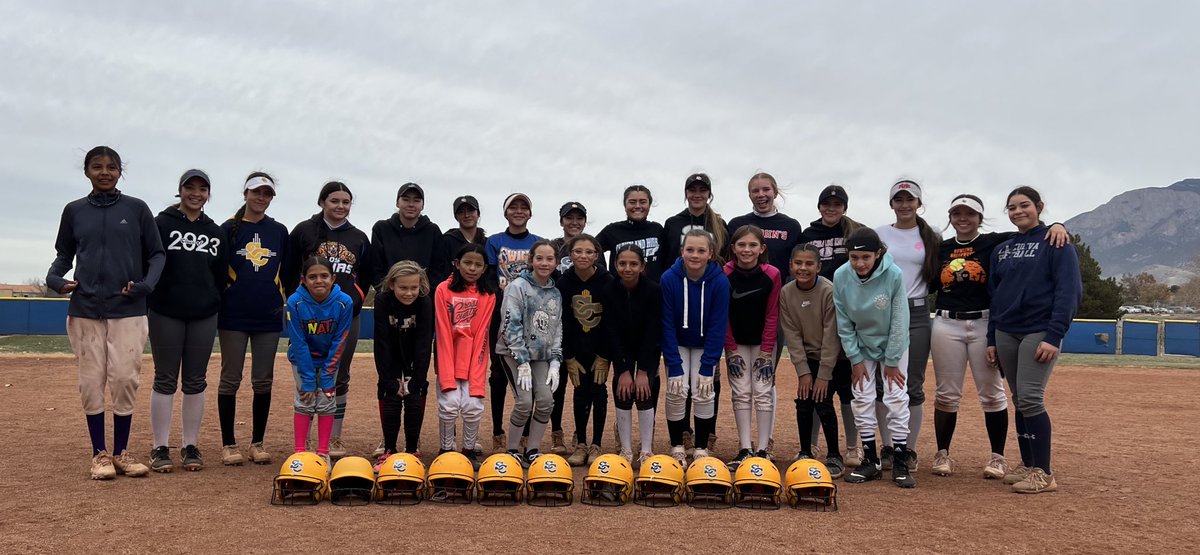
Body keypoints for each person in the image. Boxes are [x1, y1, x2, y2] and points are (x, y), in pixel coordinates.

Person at [930, 194, 1069, 478]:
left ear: (981, 218)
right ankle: (942, 452)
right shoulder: (942, 248)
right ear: (950, 217)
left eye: (970, 214)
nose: (963, 219)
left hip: (983, 321)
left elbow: (1033, 230)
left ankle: (998, 457)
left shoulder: (994, 242)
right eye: (957, 214)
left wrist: (1058, 224)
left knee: (993, 393)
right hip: (947, 322)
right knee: (946, 393)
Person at [47, 146, 164, 480]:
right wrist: (55, 279)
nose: (104, 172)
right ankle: (99, 454)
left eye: (111, 167)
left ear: (119, 172)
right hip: (85, 309)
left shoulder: (137, 209)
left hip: (128, 308)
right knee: (90, 382)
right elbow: (63, 254)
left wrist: (145, 285)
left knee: (125, 379)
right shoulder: (74, 211)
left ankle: (122, 452)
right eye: (97, 167)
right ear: (87, 171)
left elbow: (157, 255)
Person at [986, 186, 1081, 494]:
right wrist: (991, 338)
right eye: (1011, 207)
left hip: (1039, 329)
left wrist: (1054, 336)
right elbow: (995, 297)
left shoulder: (1056, 241)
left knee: (1030, 398)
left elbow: (1068, 291)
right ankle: (1028, 464)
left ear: (1039, 206)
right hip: (1005, 330)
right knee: (1018, 399)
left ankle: (1044, 472)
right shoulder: (1003, 248)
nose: (1017, 211)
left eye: (1024, 205)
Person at [147, 169, 227, 472]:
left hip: (203, 313)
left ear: (208, 194)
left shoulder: (216, 232)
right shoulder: (161, 224)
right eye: (190, 187)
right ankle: (160, 446)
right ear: (180, 190)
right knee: (165, 378)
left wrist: (211, 300)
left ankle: (190, 445)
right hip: (165, 310)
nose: (196, 193)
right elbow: (149, 264)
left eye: (203, 188)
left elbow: (220, 276)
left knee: (196, 380)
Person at [285, 181, 370, 458]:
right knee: (306, 372)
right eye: (335, 201)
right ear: (322, 202)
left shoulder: (358, 237)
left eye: (346, 202)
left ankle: (333, 438)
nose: (341, 207)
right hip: (307, 313)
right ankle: (305, 441)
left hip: (344, 314)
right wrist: (298, 301)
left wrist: (356, 298)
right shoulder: (304, 231)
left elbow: (365, 275)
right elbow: (288, 269)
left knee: (338, 375)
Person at [216, 172, 289, 466]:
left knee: (263, 380)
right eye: (256, 192)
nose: (261, 198)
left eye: (267, 194)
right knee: (230, 379)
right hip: (233, 313)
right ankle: (229, 443)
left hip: (268, 314)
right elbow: (217, 271)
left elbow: (289, 268)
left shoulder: (279, 231)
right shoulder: (227, 229)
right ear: (245, 194)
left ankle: (257, 443)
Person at [833, 228, 915, 488]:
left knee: (895, 396)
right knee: (862, 397)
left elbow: (900, 320)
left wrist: (891, 361)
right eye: (854, 257)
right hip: (861, 345)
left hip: (894, 344)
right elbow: (843, 321)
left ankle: (900, 459)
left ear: (878, 253)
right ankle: (870, 460)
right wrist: (855, 359)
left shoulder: (893, 275)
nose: (859, 263)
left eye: (866, 257)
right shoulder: (841, 275)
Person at [873, 179, 940, 471]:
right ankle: (888, 447)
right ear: (891, 204)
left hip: (916, 312)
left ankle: (907, 449)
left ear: (918, 203)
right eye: (898, 200)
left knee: (912, 383)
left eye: (909, 199)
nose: (904, 205)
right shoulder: (879, 234)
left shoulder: (931, 236)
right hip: (882, 313)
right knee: (881, 384)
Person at [798, 184, 862, 465]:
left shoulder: (855, 233)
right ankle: (810, 445)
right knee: (814, 390)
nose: (831, 208)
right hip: (815, 311)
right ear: (819, 206)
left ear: (844, 207)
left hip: (848, 313)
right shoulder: (808, 235)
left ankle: (851, 447)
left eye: (837, 204)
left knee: (846, 389)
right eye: (827, 203)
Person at [661, 229, 730, 466]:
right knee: (676, 390)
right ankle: (677, 446)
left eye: (701, 250)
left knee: (703, 391)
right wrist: (674, 364)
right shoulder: (668, 278)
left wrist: (708, 364)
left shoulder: (720, 281)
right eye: (690, 249)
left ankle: (701, 448)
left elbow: (718, 325)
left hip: (704, 346)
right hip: (678, 343)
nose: (695, 255)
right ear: (682, 251)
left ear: (710, 253)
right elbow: (666, 324)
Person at [778, 244, 847, 479]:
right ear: (791, 265)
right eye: (798, 263)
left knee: (823, 401)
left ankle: (835, 456)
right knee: (804, 401)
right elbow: (792, 334)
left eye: (809, 264)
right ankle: (806, 451)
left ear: (819, 266)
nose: (803, 268)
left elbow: (832, 334)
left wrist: (823, 375)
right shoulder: (786, 292)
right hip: (807, 358)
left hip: (833, 358)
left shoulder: (828, 291)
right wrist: (803, 371)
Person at [495, 240, 564, 467]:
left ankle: (532, 449)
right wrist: (522, 361)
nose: (544, 263)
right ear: (531, 260)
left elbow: (556, 328)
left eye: (550, 259)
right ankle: (512, 450)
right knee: (524, 402)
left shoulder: (555, 293)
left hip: (541, 355)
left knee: (545, 400)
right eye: (539, 258)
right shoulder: (517, 287)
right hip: (514, 353)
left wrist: (555, 360)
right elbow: (510, 323)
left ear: (556, 262)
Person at [485, 192, 542, 453]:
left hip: (531, 316)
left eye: (524, 207)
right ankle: (498, 431)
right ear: (505, 212)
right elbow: (488, 277)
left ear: (530, 213)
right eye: (513, 207)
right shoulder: (494, 242)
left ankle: (526, 433)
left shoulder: (538, 242)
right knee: (498, 374)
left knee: (527, 374)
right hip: (501, 314)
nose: (519, 211)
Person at [722, 225, 781, 469]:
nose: (747, 250)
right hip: (735, 343)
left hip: (763, 344)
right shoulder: (724, 273)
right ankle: (745, 448)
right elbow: (721, 314)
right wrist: (731, 348)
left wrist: (767, 351)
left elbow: (772, 314)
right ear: (733, 248)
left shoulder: (772, 274)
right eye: (742, 245)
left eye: (752, 245)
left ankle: (763, 450)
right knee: (741, 393)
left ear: (762, 248)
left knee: (764, 393)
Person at [433, 244, 497, 465]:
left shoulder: (488, 294)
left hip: (474, 360)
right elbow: (442, 332)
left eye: (478, 264)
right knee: (449, 404)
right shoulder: (443, 289)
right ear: (457, 264)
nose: (472, 268)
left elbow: (482, 336)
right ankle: (446, 450)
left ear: (484, 268)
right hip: (448, 357)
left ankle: (468, 450)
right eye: (467, 263)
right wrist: (446, 374)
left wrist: (477, 373)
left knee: (472, 406)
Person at [287, 256, 353, 465]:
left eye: (324, 276)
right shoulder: (294, 302)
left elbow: (339, 341)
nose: (319, 281)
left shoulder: (344, 302)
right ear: (303, 280)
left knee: (326, 401)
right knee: (304, 400)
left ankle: (323, 452)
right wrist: (307, 379)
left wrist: (326, 377)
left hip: (329, 360)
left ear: (333, 278)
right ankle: (300, 451)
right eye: (312, 276)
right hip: (302, 359)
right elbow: (299, 343)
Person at [557, 233, 613, 467]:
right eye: (578, 251)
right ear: (570, 255)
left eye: (589, 252)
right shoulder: (564, 282)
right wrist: (568, 356)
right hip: (576, 347)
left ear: (597, 256)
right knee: (580, 392)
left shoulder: (607, 281)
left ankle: (596, 444)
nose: (583, 256)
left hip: (600, 347)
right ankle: (580, 442)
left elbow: (612, 321)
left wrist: (604, 355)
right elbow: (562, 322)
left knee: (598, 390)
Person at [605, 245, 662, 467]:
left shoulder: (653, 290)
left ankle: (646, 449)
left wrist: (644, 371)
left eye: (633, 264)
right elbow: (610, 332)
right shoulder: (609, 290)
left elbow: (653, 331)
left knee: (645, 389)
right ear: (616, 265)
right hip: (622, 351)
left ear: (642, 266)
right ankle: (626, 449)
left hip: (648, 350)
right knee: (623, 389)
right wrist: (622, 370)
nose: (627, 268)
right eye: (622, 264)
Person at [373, 261, 434, 467]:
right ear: (392, 284)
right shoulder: (382, 300)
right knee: (390, 394)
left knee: (414, 396)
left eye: (413, 288)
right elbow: (381, 342)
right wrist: (388, 379)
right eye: (403, 288)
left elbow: (424, 343)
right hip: (390, 354)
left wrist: (416, 379)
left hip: (414, 355)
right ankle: (389, 448)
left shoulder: (425, 302)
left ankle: (412, 449)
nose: (409, 293)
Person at [547, 201, 592, 455]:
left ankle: (580, 433)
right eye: (569, 217)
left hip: (583, 324)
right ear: (561, 220)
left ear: (585, 221)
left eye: (578, 218)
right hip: (556, 321)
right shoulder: (553, 246)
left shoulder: (591, 246)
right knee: (557, 382)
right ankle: (557, 434)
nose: (573, 222)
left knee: (582, 383)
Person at [368, 182, 447, 290]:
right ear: (397, 203)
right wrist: (389, 291)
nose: (411, 204)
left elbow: (438, 269)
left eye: (416, 200)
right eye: (405, 199)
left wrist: (422, 292)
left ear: (422, 205)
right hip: (388, 297)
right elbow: (375, 268)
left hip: (424, 299)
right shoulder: (381, 228)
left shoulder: (433, 231)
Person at [725, 172, 802, 280]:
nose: (761, 194)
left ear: (775, 193)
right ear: (750, 195)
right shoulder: (736, 224)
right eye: (755, 191)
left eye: (766, 189)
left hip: (778, 289)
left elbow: (797, 264)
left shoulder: (791, 226)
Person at [597, 185, 666, 282]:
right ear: (625, 205)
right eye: (632, 202)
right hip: (620, 293)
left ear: (649, 205)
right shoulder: (612, 230)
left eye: (642, 202)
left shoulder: (657, 229)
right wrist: (603, 272)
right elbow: (591, 249)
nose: (637, 206)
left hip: (654, 293)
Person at [662, 173, 728, 270]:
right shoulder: (672, 223)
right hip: (678, 280)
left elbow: (725, 256)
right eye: (692, 190)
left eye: (702, 191)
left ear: (709, 195)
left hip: (711, 281)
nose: (697, 195)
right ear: (686, 194)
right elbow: (665, 257)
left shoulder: (720, 224)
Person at [436, 195, 487, 285]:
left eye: (471, 210)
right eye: (461, 212)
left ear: (478, 214)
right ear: (456, 216)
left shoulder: (487, 243)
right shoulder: (446, 241)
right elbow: (441, 273)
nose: (466, 215)